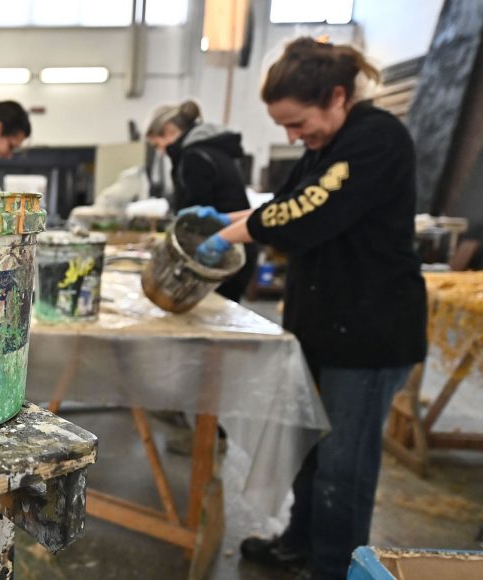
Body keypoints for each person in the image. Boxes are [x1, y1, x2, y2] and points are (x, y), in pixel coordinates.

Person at [193, 38, 427, 580]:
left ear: (338, 96)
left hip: (368, 334)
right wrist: (228, 218)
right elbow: (284, 203)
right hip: (323, 327)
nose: (293, 137)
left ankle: (334, 569)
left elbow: (308, 213)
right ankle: (300, 544)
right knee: (311, 451)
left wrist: (229, 236)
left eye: (298, 123)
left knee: (344, 468)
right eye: (285, 127)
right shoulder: (329, 144)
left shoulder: (375, 139)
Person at [145, 100, 257, 301]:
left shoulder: (194, 157)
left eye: (156, 145)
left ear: (169, 130)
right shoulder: (212, 149)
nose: (160, 152)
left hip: (221, 252)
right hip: (237, 247)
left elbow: (193, 222)